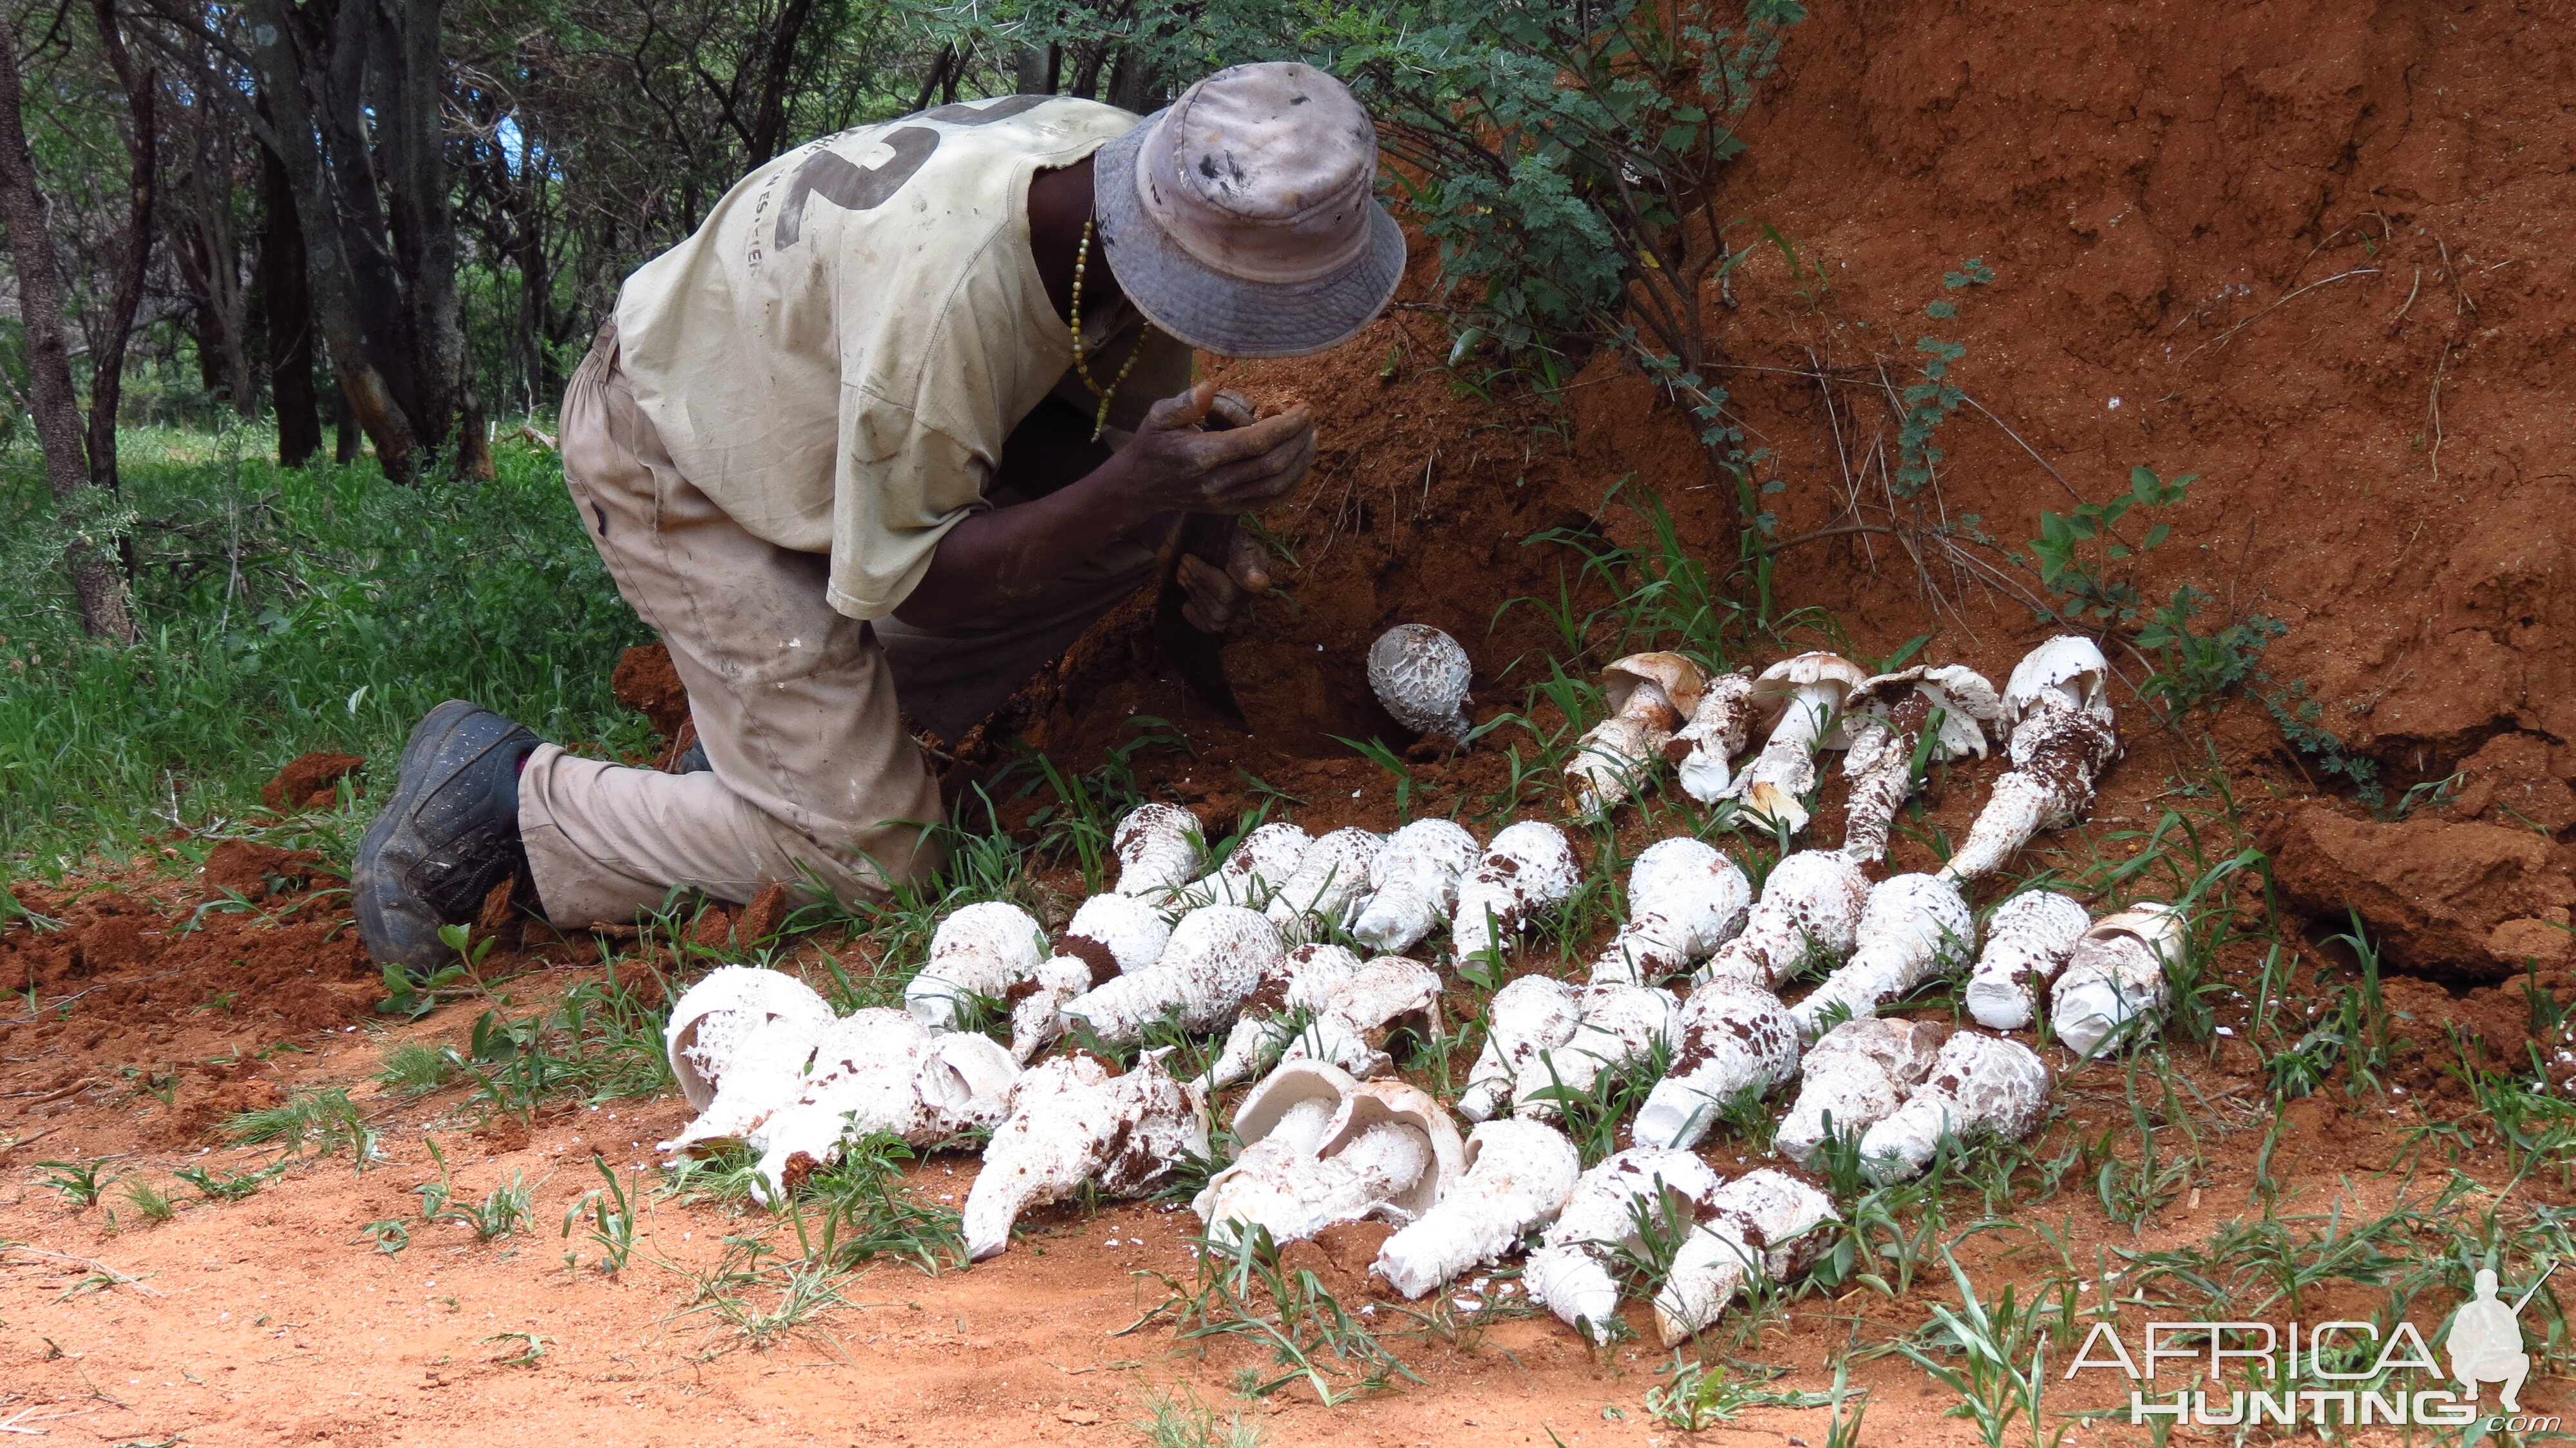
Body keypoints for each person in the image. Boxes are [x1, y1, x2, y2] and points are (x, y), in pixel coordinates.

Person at [350, 62, 1404, 967]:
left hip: (806, 423)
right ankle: (509, 794)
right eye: (1244, 299)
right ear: (1174, 245)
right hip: (676, 453)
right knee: (875, 861)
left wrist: (1191, 497)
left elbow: (1048, 428)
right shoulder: (942, 298)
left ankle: (771, 749)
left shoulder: (1117, 175)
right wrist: (1140, 485)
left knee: (1127, 517)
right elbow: (926, 578)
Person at [2447, 1268, 2530, 1412]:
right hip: (2472, 1365)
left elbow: (2518, 1343)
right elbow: (2453, 1342)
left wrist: (2504, 1347)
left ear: (2496, 1288)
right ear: (2476, 1289)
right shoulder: (2467, 1311)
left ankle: (2508, 1397)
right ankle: (2471, 1386)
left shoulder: (2504, 1311)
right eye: (2483, 1287)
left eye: (2489, 1287)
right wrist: (2470, 1350)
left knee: (2523, 1360)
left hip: (2499, 1363)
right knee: (2458, 1360)